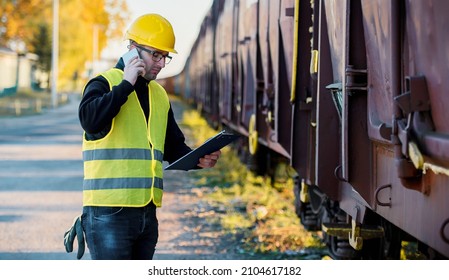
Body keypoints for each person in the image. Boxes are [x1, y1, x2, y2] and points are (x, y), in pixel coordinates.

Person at [77, 13, 221, 260]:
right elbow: (90, 121)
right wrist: (126, 84)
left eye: (165, 56)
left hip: (146, 214)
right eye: (155, 54)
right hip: (108, 214)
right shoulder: (104, 84)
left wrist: (200, 159)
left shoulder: (159, 95)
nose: (161, 63)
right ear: (133, 50)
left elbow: (173, 147)